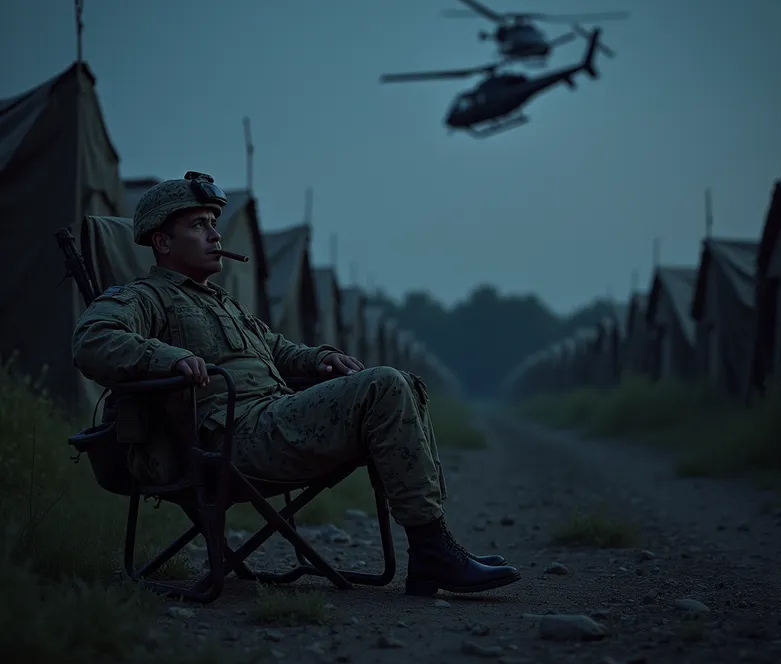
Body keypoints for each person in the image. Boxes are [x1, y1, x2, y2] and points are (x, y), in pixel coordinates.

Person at [72, 172, 521, 597]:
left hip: (273, 421)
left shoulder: (223, 303)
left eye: (214, 224)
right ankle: (432, 552)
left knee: (402, 382)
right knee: (384, 385)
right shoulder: (145, 298)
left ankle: (433, 547)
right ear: (163, 242)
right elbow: (92, 339)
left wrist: (322, 357)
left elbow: (279, 349)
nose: (216, 235)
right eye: (199, 226)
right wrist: (168, 357)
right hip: (228, 441)